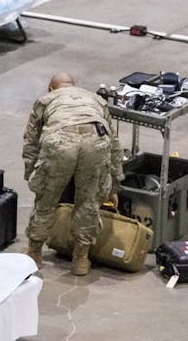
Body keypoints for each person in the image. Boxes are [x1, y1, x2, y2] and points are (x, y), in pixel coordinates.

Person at [22, 72, 123, 276]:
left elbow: (31, 142)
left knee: (46, 200)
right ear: (74, 86)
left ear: (51, 88)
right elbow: (114, 143)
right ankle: (80, 259)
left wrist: (32, 174)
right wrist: (114, 184)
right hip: (95, 141)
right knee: (88, 202)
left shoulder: (45, 100)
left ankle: (34, 253)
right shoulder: (96, 99)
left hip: (60, 142)